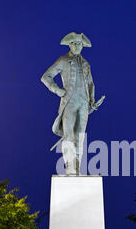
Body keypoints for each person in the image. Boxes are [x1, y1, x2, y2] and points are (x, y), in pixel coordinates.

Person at [41, 32, 103, 174]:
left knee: (80, 137)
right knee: (69, 135)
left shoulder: (86, 64)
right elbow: (46, 77)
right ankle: (70, 167)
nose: (77, 46)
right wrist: (58, 90)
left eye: (79, 44)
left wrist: (92, 100)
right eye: (74, 43)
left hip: (83, 103)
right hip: (69, 102)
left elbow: (90, 83)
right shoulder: (63, 60)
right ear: (70, 44)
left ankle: (77, 167)